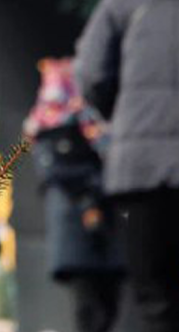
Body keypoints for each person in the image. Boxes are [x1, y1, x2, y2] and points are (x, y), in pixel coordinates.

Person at [74, 0, 179, 332]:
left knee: (154, 298)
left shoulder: (123, 3)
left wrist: (124, 119)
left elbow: (90, 76)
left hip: (142, 171)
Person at [24, 57, 123, 332]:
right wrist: (90, 192)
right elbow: (55, 173)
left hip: (105, 223)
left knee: (108, 304)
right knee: (89, 308)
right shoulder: (46, 126)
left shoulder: (95, 123)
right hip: (75, 224)